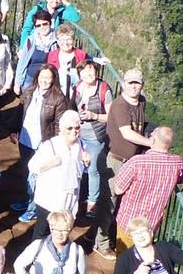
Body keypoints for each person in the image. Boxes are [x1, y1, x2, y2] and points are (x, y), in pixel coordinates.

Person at [110, 125, 183, 245]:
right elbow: (182, 178)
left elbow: (118, 189)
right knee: (143, 257)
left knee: (124, 258)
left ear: (153, 139)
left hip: (129, 221)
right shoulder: (177, 162)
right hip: (151, 225)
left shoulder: (137, 162)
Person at [13, 64, 70, 222]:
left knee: (36, 176)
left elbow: (59, 124)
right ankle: (26, 199)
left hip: (43, 143)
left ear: (53, 79)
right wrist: (14, 130)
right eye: (42, 77)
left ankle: (33, 208)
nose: (45, 80)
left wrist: (56, 145)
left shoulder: (58, 98)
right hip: (25, 139)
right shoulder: (29, 92)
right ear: (37, 76)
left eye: (48, 78)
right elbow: (19, 113)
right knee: (26, 171)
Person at [104, 67, 151, 250]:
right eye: (130, 83)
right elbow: (127, 133)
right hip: (116, 160)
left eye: (137, 83)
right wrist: (151, 143)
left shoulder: (141, 102)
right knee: (109, 201)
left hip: (132, 163)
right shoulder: (119, 105)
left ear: (142, 85)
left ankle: (117, 240)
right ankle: (101, 243)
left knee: (124, 204)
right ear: (124, 84)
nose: (133, 86)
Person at [26, 110, 88, 239]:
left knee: (63, 231)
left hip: (69, 199)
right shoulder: (50, 145)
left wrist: (87, 163)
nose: (74, 131)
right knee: (42, 231)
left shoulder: (81, 145)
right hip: (49, 199)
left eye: (77, 128)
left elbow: (81, 171)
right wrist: (49, 164)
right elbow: (32, 166)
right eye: (69, 128)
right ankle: (36, 257)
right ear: (61, 129)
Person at [73, 60, 114, 250]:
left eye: (92, 70)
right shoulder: (77, 88)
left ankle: (91, 204)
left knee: (95, 170)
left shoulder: (104, 89)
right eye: (86, 71)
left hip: (96, 136)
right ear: (80, 74)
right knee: (79, 166)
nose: (90, 74)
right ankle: (77, 200)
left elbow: (111, 116)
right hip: (78, 134)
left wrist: (94, 116)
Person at [16, 0, 82, 49]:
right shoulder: (37, 9)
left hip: (52, 45)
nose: (55, 1)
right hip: (35, 43)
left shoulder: (61, 12)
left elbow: (76, 18)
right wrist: (22, 48)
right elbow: (27, 29)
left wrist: (67, 3)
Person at [13, 10, 57, 93]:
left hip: (48, 81)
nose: (42, 27)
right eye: (38, 25)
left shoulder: (57, 40)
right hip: (30, 78)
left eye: (45, 24)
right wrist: (17, 83)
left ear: (50, 23)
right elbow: (23, 61)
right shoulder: (31, 40)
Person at [45, 23, 88, 95]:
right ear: (58, 41)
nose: (65, 43)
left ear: (73, 40)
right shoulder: (52, 55)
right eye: (62, 40)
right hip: (56, 92)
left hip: (76, 93)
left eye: (68, 39)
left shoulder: (81, 55)